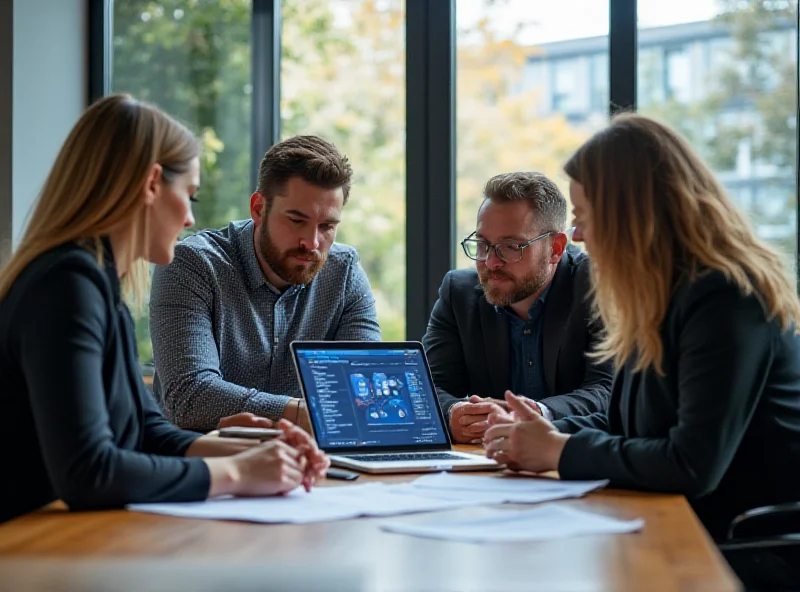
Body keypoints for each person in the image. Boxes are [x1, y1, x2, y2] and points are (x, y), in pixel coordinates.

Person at [483, 114, 800, 587]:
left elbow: (690, 464)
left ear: (633, 214)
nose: (579, 237)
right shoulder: (659, 296)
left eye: (585, 217)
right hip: (679, 526)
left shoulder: (727, 296)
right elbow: (628, 424)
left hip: (742, 551)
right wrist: (541, 430)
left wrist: (559, 451)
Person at [0, 94, 329, 524]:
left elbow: (144, 431)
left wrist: (252, 449)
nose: (191, 218)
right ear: (152, 184)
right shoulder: (67, 286)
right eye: (189, 194)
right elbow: (88, 471)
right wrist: (236, 472)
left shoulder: (96, 283)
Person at [149, 135, 381, 433]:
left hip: (311, 465)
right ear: (258, 208)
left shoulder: (344, 273)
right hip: (207, 466)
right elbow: (190, 397)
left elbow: (365, 391)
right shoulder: (193, 264)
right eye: (297, 220)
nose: (311, 243)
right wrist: (300, 413)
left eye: (327, 227)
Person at [423, 172, 612, 444]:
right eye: (483, 245)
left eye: (511, 247)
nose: (490, 262)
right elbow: (430, 387)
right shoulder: (459, 293)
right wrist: (455, 413)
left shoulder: (597, 285)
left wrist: (536, 414)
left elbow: (607, 390)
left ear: (556, 248)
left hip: (573, 461)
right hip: (489, 465)